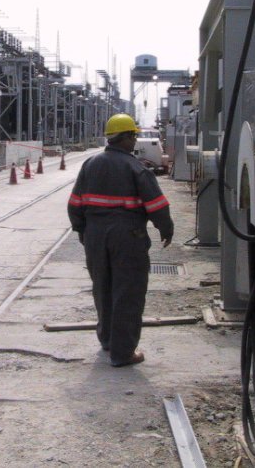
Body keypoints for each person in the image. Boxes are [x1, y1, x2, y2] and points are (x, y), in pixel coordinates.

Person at [67, 113, 174, 367]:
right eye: (133, 136)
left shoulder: (90, 165)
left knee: (102, 287)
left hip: (95, 236)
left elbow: (74, 205)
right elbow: (157, 205)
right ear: (126, 138)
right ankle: (123, 352)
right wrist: (165, 228)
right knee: (128, 291)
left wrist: (82, 230)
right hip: (127, 238)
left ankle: (107, 340)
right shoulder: (136, 168)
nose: (134, 141)